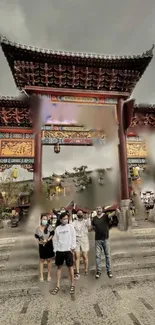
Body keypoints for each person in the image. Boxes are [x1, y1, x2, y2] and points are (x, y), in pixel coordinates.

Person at [52, 212, 76, 295]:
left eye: (67, 218)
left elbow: (73, 237)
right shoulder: (57, 228)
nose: (66, 220)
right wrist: (55, 250)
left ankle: (72, 284)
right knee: (59, 267)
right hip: (59, 251)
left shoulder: (70, 227)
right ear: (61, 220)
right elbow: (55, 240)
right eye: (64, 219)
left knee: (70, 267)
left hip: (68, 250)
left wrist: (73, 247)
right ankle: (58, 285)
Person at [91, 206, 116, 279]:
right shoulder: (94, 218)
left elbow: (111, 215)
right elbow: (92, 227)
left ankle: (109, 270)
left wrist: (116, 211)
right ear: (96, 210)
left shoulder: (105, 216)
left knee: (107, 255)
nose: (98, 210)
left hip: (105, 239)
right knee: (98, 256)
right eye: (97, 208)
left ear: (102, 210)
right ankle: (98, 271)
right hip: (97, 240)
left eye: (100, 208)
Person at [35, 213, 55, 282]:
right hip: (42, 246)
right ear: (41, 219)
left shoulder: (50, 227)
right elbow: (37, 237)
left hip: (49, 245)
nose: (45, 220)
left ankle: (49, 275)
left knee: (49, 260)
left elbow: (52, 234)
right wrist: (39, 242)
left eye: (46, 219)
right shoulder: (38, 229)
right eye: (44, 219)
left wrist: (47, 240)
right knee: (42, 260)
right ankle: (41, 275)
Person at [73, 209, 91, 279]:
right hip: (77, 239)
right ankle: (77, 272)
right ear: (77, 215)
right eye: (78, 213)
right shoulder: (74, 222)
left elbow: (89, 225)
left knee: (85, 256)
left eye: (81, 213)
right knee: (77, 256)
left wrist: (88, 215)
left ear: (82, 214)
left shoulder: (86, 221)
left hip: (84, 238)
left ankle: (86, 269)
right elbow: (71, 227)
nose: (80, 214)